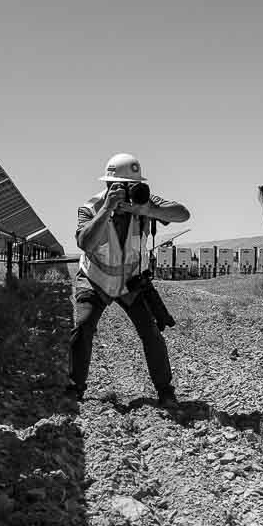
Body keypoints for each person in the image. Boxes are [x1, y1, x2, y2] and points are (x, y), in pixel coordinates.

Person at [67, 153, 190, 406]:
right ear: (108, 185)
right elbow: (84, 242)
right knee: (84, 325)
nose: (126, 190)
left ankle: (165, 390)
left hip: (130, 282)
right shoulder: (90, 207)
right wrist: (107, 210)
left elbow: (183, 214)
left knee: (151, 333)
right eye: (120, 185)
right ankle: (75, 387)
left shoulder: (142, 204)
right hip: (95, 279)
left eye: (130, 185)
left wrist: (148, 208)